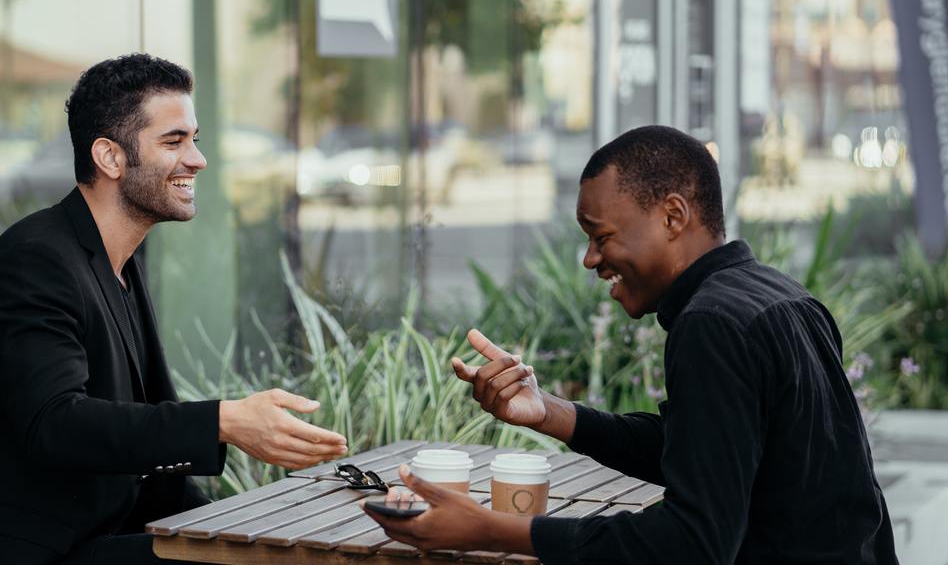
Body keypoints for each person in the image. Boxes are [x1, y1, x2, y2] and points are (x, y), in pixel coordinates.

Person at [365, 125, 898, 564]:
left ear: (672, 216)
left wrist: (495, 530)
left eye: (601, 236)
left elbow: (694, 543)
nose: (590, 260)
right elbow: (709, 452)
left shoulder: (712, 323)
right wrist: (549, 412)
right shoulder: (778, 295)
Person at [0, 54, 348, 565]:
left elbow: (147, 458)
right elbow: (57, 423)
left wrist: (243, 529)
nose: (197, 159)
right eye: (174, 141)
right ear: (109, 157)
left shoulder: (121, 259)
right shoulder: (34, 260)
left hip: (99, 542)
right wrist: (222, 420)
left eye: (195, 139)